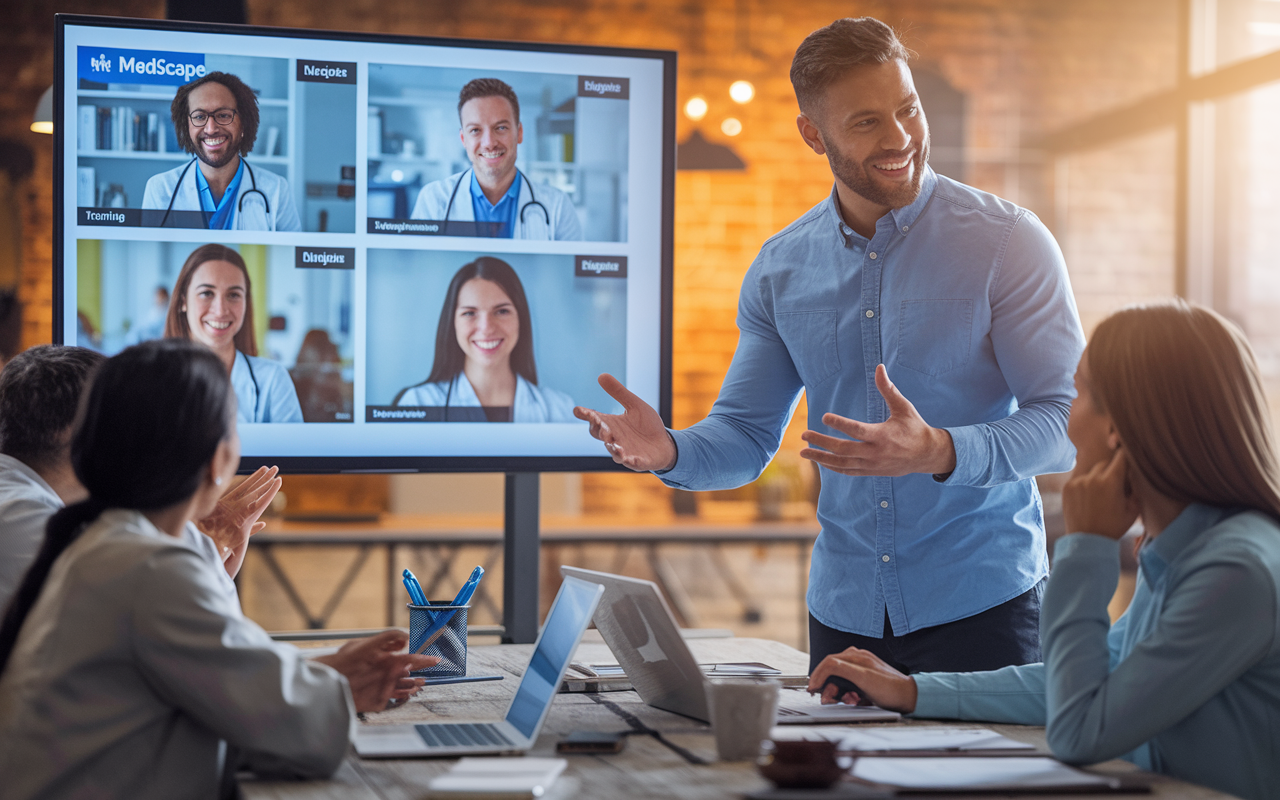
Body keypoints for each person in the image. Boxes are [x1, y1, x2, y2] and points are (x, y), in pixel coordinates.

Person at [574, 17, 1085, 673]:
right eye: (867, 121)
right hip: (842, 618)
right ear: (813, 134)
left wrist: (941, 450)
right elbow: (743, 435)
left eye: (907, 110)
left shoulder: (1008, 242)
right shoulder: (780, 268)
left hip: (984, 607)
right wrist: (671, 448)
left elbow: (1066, 420)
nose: (900, 137)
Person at [808, 300, 1280, 800]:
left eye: (1076, 394)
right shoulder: (1190, 549)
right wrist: (912, 690)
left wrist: (1088, 547)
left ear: (1118, 427)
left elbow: (1081, 730)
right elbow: (1084, 681)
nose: (1065, 421)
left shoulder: (1235, 571)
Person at [0, 340, 435, 797]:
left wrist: (322, 680)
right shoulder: (144, 566)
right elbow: (298, 735)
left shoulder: (105, 544)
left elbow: (212, 696)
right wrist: (338, 686)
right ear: (218, 459)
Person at [0, 344, 279, 611]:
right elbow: (150, 613)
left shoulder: (26, 502)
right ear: (86, 434)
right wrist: (206, 556)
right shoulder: (29, 523)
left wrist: (205, 560)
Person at [394, 257, 575, 422]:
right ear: (452, 323)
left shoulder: (561, 409)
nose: (487, 328)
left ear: (521, 319)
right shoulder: (418, 403)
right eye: (469, 313)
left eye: (502, 311)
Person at [409, 78, 582, 240]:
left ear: (519, 133)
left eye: (500, 128)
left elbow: (574, 272)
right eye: (475, 130)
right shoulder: (433, 200)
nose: (489, 143)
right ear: (464, 140)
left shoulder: (557, 207)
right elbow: (419, 268)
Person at [142, 71, 301, 231]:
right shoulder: (160, 189)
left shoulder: (276, 190)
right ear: (187, 126)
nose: (211, 129)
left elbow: (291, 255)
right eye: (199, 117)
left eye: (223, 115)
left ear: (243, 123)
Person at [166, 244, 304, 423]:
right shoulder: (155, 381)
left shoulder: (273, 379)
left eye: (233, 295)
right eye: (207, 293)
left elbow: (294, 450)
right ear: (183, 301)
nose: (220, 310)